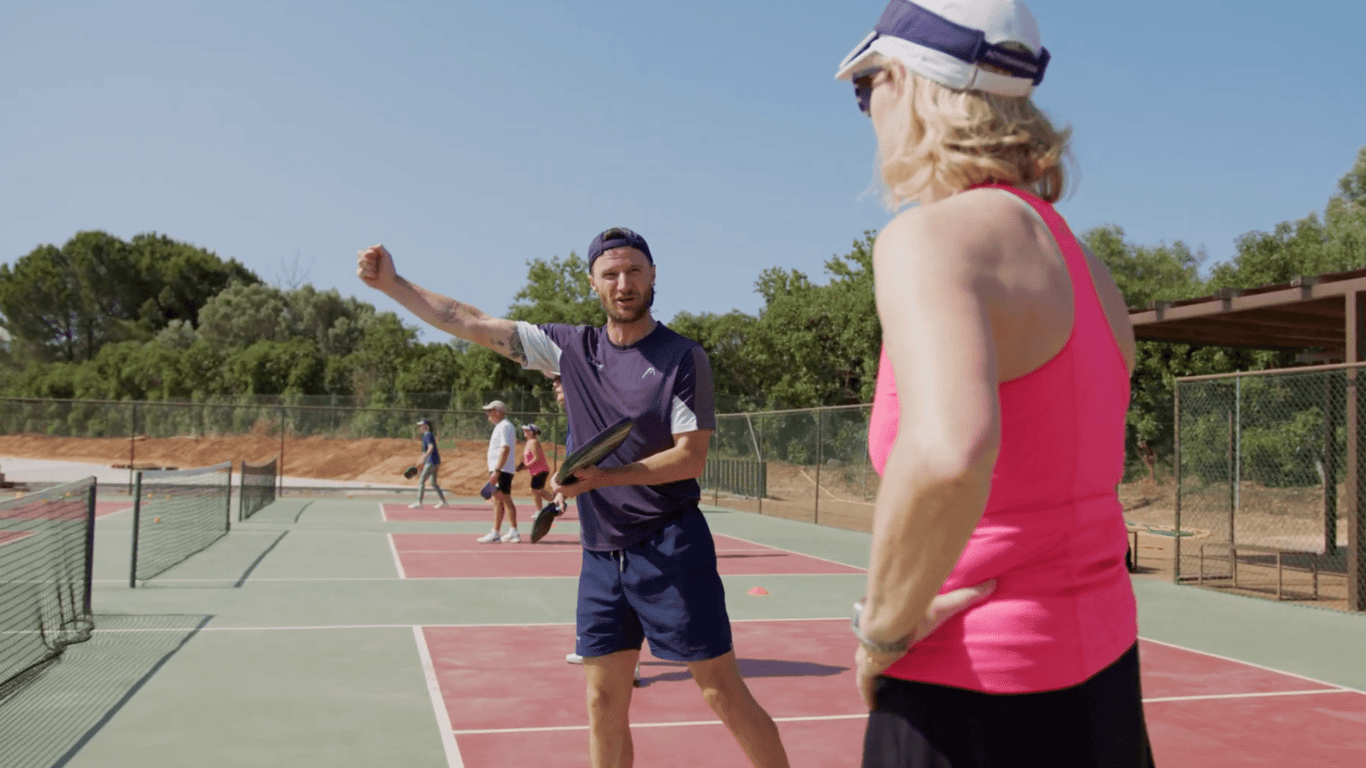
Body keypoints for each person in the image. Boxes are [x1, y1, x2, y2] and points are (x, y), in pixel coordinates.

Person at [833, 1, 1155, 766]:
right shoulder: (1093, 274)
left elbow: (948, 454)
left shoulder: (930, 240)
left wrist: (881, 631)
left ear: (912, 82)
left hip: (968, 693)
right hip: (1105, 687)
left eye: (865, 85)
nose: (866, 107)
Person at [356, 227, 789, 768]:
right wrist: (393, 284)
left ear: (653, 276)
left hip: (671, 546)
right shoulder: (569, 349)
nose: (624, 283)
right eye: (611, 274)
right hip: (602, 553)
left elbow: (691, 457)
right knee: (603, 700)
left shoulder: (683, 357)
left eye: (634, 271)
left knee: (721, 693)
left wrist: (603, 479)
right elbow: (467, 320)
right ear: (594, 283)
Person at [479, 400, 521, 543]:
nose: (487, 414)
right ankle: (504, 531)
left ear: (498, 411)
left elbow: (505, 448)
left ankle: (505, 532)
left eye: (489, 411)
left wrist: (497, 470)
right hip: (501, 469)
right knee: (500, 499)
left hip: (501, 470)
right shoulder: (503, 426)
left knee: (503, 499)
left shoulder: (504, 426)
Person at [410, 418, 448, 509]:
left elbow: (430, 448)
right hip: (433, 462)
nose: (420, 427)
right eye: (419, 425)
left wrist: (424, 459)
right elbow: (424, 452)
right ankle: (444, 502)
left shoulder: (428, 435)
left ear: (426, 426)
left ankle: (419, 502)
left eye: (421, 425)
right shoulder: (425, 436)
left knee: (421, 481)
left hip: (432, 462)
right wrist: (420, 461)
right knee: (433, 483)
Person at [518, 423, 552, 511]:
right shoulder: (529, 443)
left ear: (533, 432)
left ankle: (540, 511)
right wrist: (523, 466)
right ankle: (557, 502)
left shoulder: (534, 442)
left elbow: (537, 457)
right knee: (539, 491)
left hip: (541, 470)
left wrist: (526, 466)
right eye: (524, 430)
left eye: (527, 430)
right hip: (536, 471)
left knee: (534, 490)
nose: (524, 431)